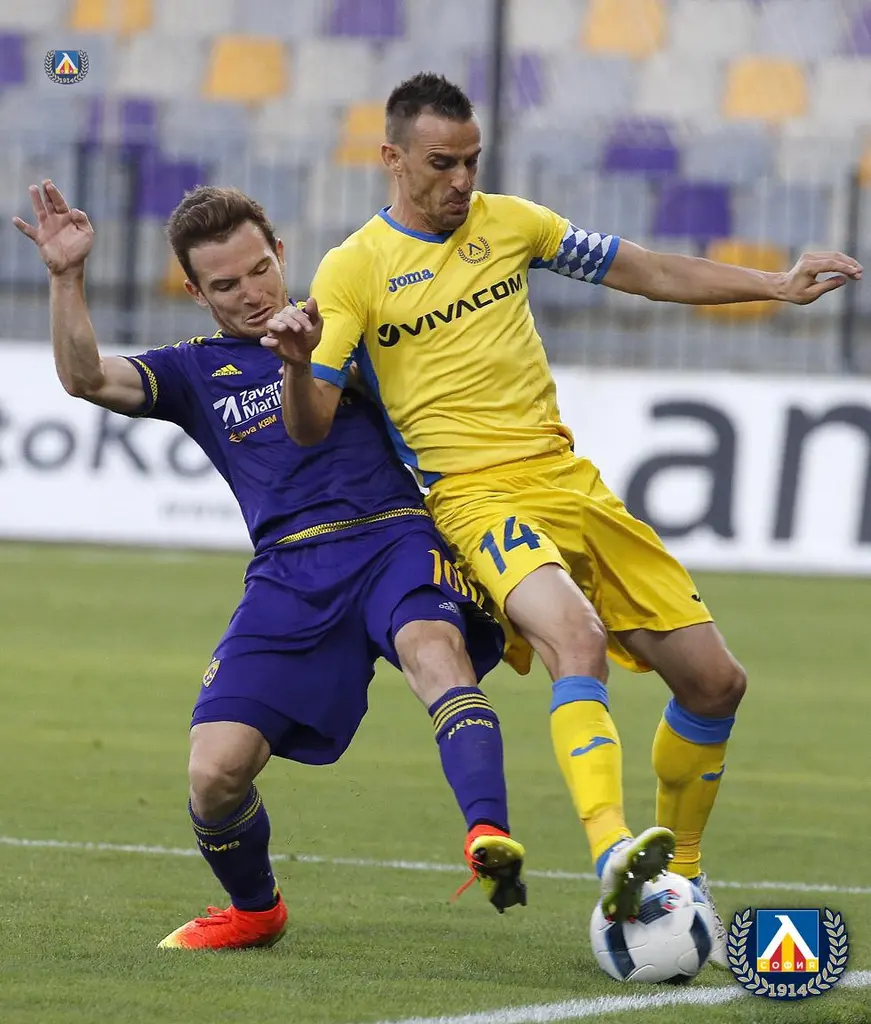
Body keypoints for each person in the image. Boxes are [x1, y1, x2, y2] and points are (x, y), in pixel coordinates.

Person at [263, 73, 863, 960]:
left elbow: (643, 268)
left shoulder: (514, 224)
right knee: (572, 640)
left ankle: (681, 873)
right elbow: (310, 423)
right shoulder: (352, 269)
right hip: (474, 495)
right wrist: (297, 361)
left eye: (471, 161)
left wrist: (774, 283)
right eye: (441, 163)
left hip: (570, 482)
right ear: (391, 158)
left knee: (714, 683)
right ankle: (613, 851)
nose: (462, 180)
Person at [13, 179, 528, 951]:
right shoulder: (193, 371)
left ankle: (488, 835)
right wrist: (66, 277)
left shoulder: (348, 321)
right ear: (195, 293)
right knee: (213, 774)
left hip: (392, 536)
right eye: (226, 285)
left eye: (260, 269)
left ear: (281, 253)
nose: (252, 293)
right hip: (288, 572)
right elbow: (86, 378)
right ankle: (255, 911)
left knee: (434, 651)